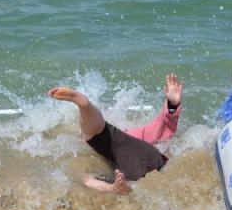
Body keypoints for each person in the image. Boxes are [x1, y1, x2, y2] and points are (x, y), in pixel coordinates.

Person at [48, 74, 183, 195]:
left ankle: (113, 188)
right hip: (157, 160)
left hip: (133, 169)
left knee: (85, 178)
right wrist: (173, 104)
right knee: (103, 132)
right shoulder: (140, 134)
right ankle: (84, 105)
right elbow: (163, 125)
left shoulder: (114, 141)